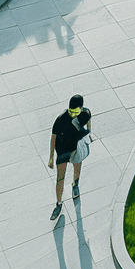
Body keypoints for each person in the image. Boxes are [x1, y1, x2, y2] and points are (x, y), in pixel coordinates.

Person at [47, 95, 93, 223]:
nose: (73, 114)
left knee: (77, 167)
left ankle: (75, 184)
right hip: (62, 150)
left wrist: (89, 133)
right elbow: (53, 138)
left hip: (76, 147)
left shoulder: (85, 113)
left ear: (81, 108)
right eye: (71, 111)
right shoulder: (60, 119)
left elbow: (89, 121)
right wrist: (51, 157)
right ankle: (58, 203)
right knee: (60, 178)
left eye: (75, 112)